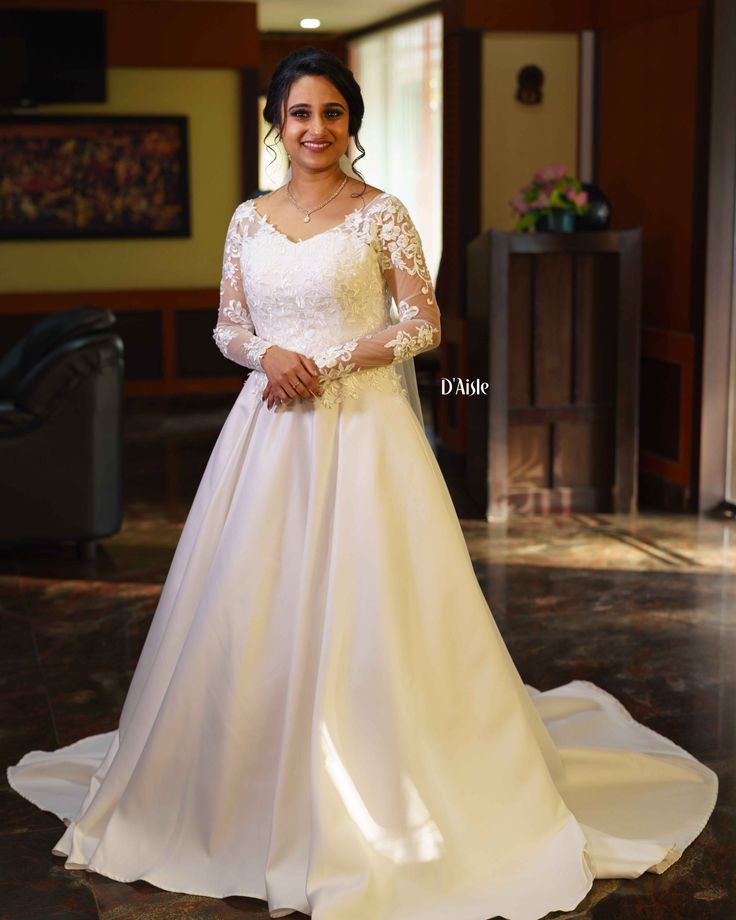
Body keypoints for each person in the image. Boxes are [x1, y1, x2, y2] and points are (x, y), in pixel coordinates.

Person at [7, 47, 718, 920]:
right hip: (267, 431)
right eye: (300, 113)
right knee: (249, 602)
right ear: (277, 123)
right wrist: (269, 354)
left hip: (364, 430)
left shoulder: (383, 214)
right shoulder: (246, 219)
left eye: (333, 113)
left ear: (353, 124)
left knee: (376, 603)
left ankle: (400, 780)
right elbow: (228, 324)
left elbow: (423, 323)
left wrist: (329, 362)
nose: (316, 129)